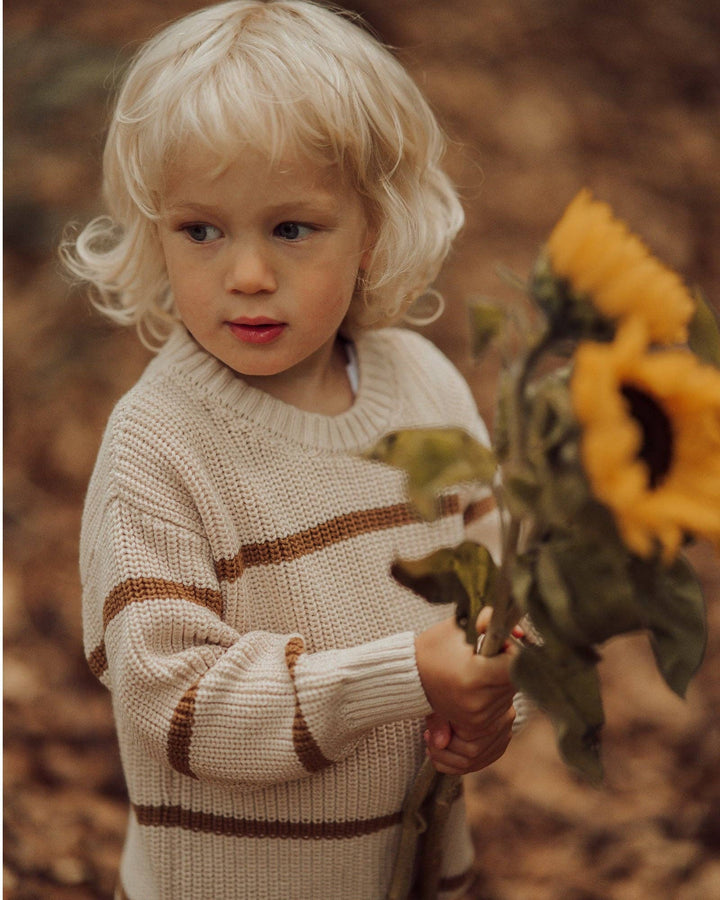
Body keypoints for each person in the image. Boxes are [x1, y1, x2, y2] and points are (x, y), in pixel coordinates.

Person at [64, 2, 519, 897]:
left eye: (291, 228)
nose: (246, 274)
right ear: (156, 232)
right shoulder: (159, 445)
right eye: (201, 230)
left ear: (373, 231)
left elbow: (493, 601)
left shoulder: (428, 392)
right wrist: (402, 675)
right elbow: (175, 706)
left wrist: (493, 697)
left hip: (413, 866)